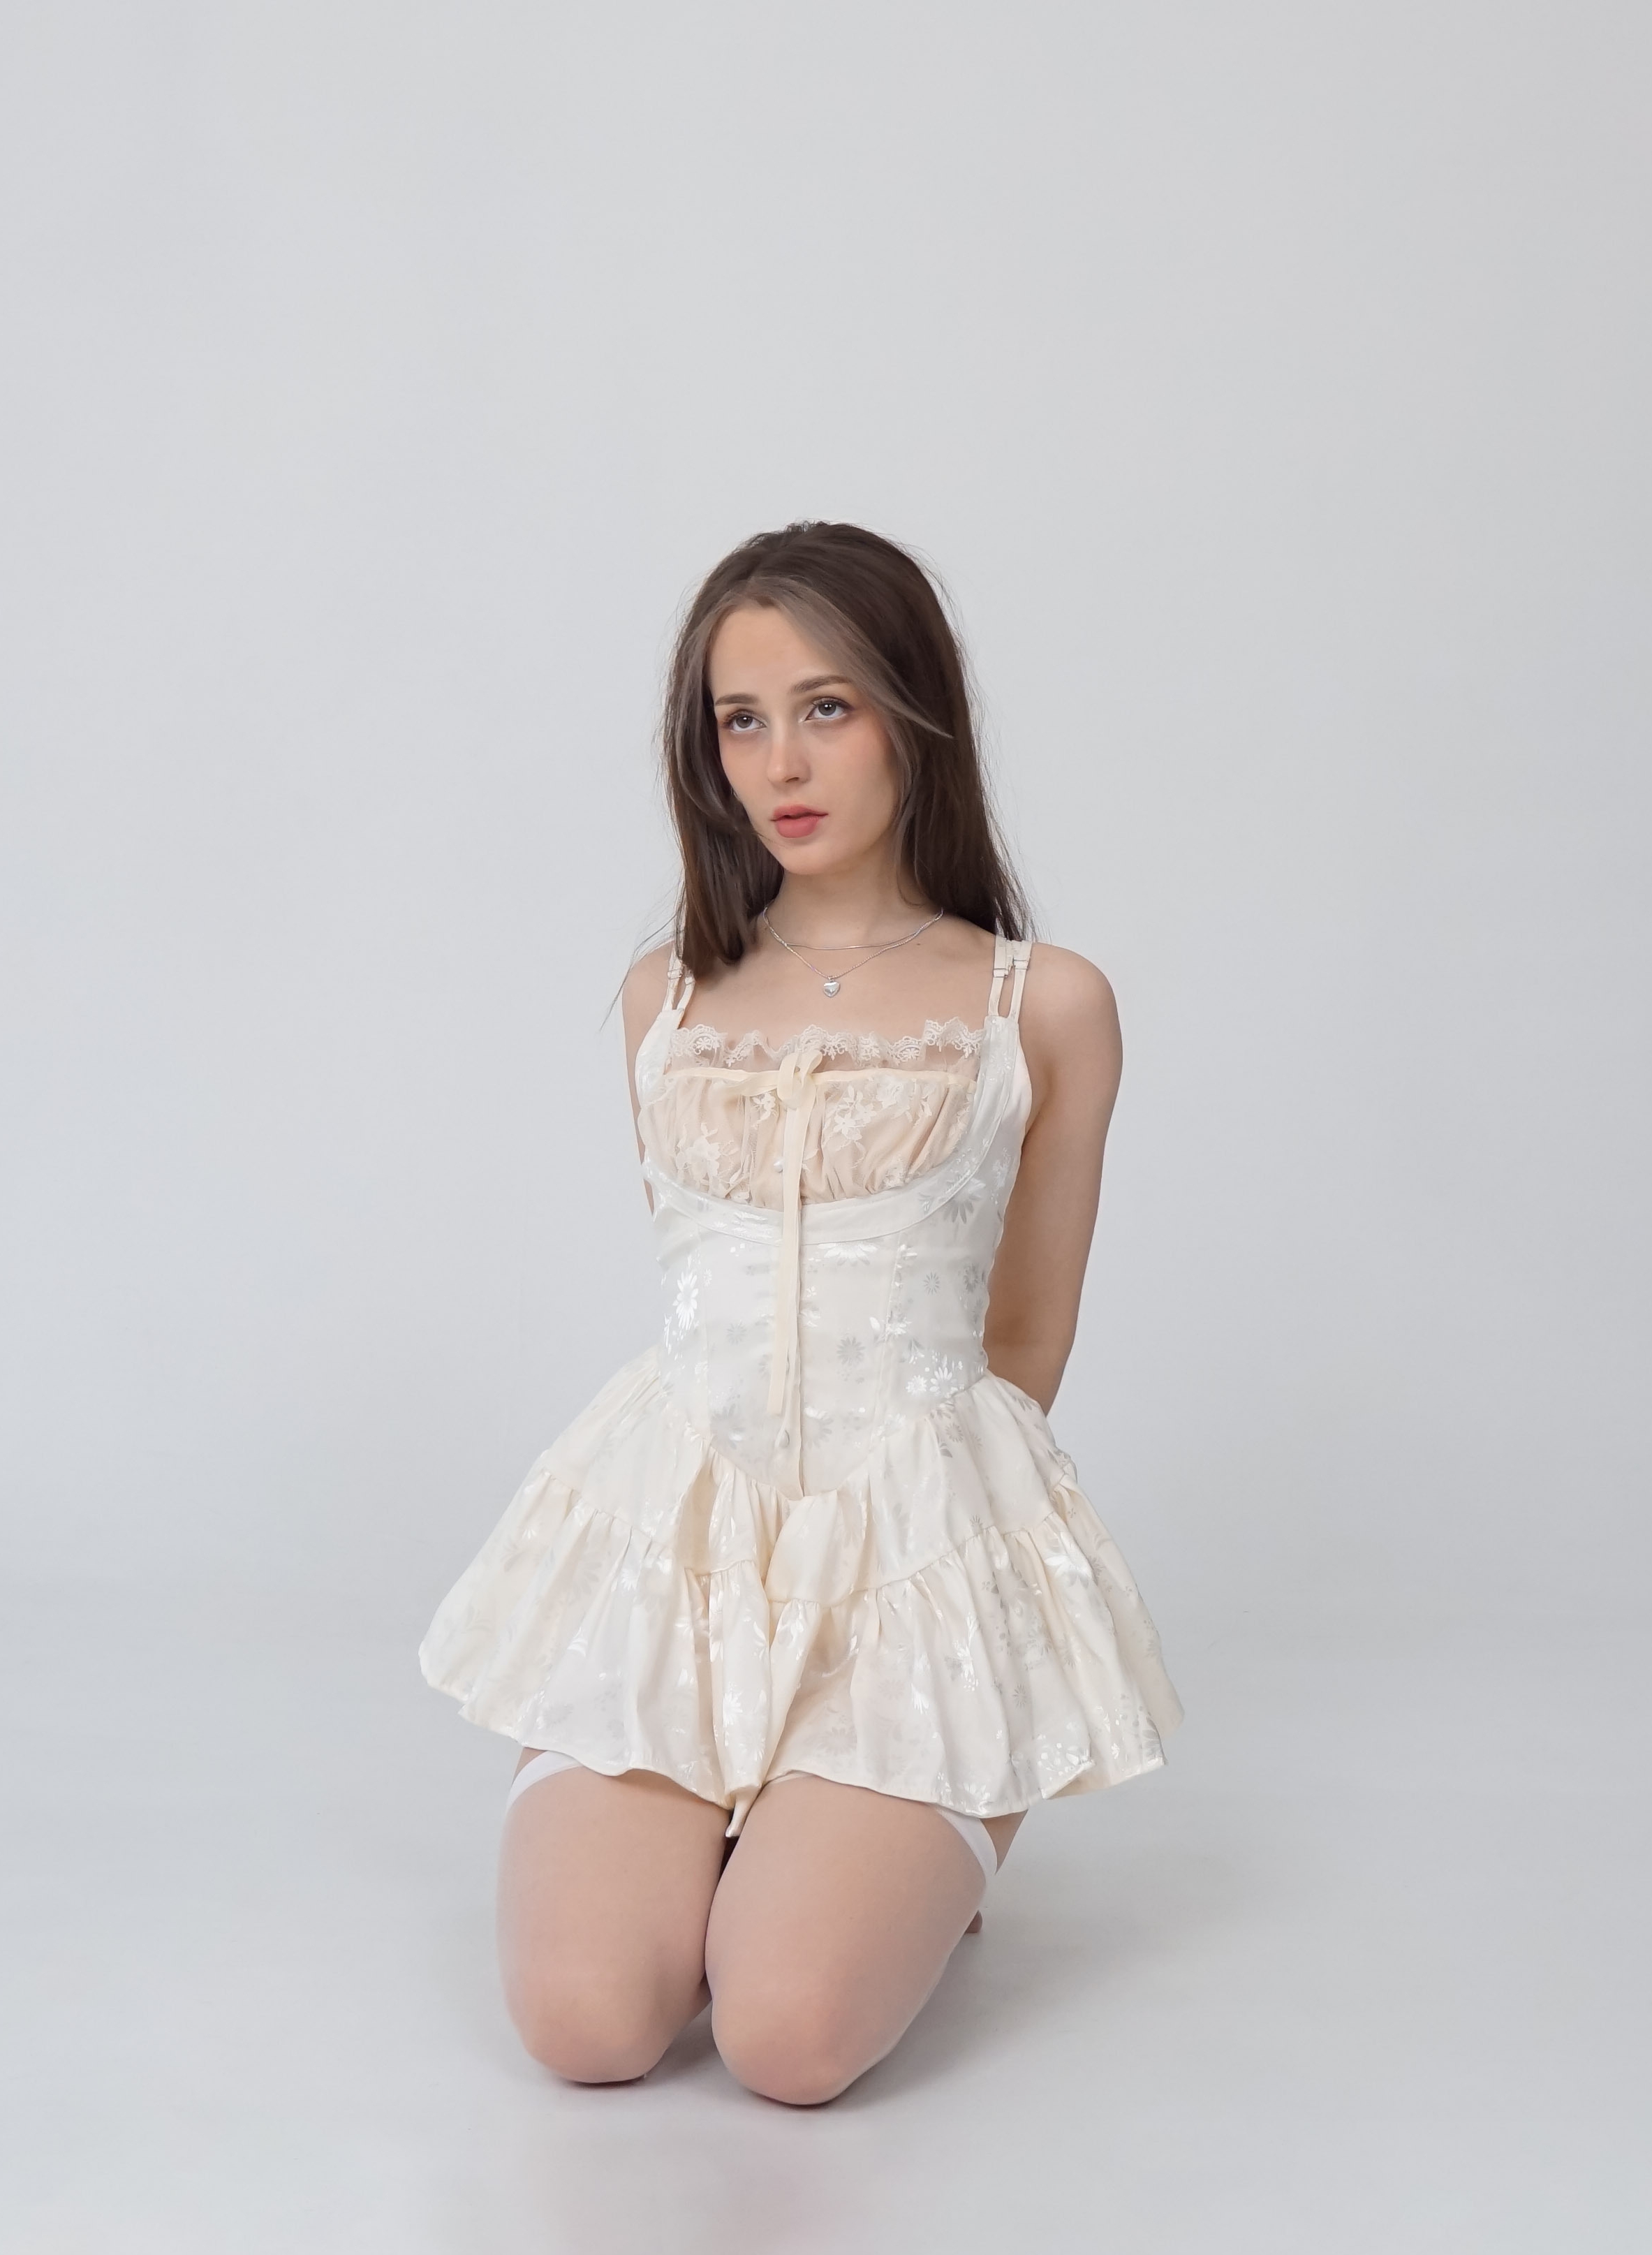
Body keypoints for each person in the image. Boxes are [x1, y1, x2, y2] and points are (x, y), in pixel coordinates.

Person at [421, 522, 1181, 2106]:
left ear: (916, 713)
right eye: (740, 718)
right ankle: (730, 1797)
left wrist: (919, 1574)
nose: (781, 761)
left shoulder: (1044, 1003)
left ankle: (871, 1826)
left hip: (910, 1551)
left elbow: (1024, 1341)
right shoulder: (666, 995)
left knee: (785, 2037)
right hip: (676, 1542)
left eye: (826, 707)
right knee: (587, 2024)